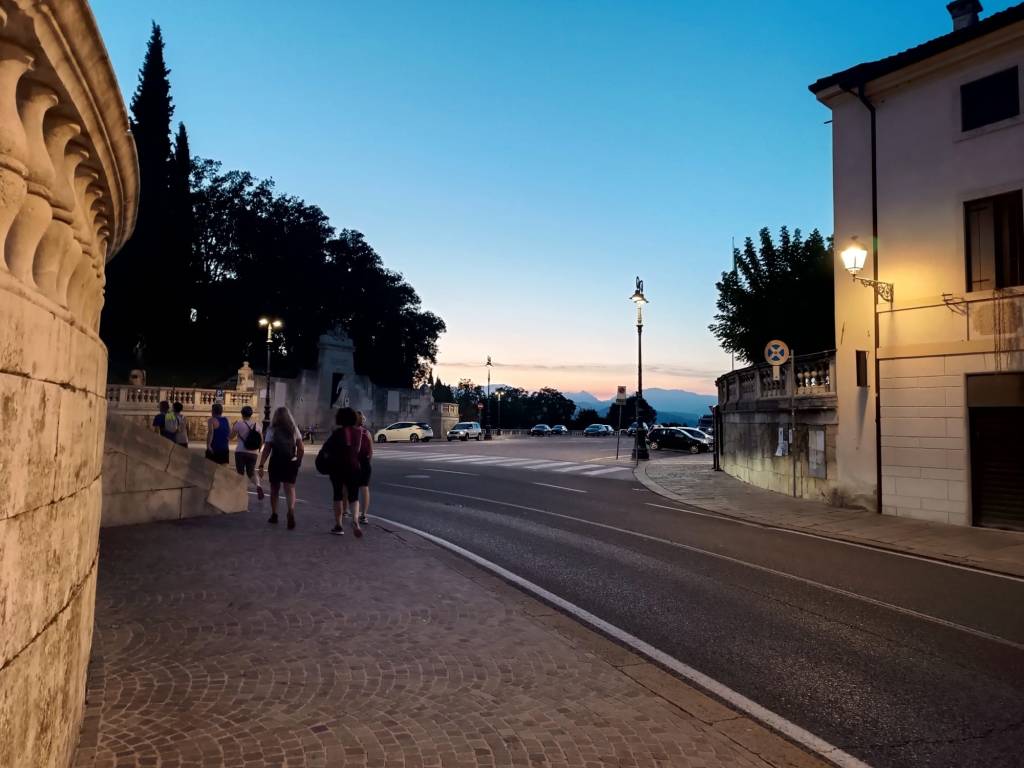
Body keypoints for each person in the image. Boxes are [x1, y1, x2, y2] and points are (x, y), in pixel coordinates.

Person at [324, 407, 369, 538]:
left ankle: (339, 525)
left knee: (338, 495)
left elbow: (327, 449)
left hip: (338, 468)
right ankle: (355, 521)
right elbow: (358, 450)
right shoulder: (358, 432)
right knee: (354, 497)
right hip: (354, 467)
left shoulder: (337, 433)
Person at [258, 406, 304, 529]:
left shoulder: (272, 429)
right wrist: (298, 461)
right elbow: (301, 448)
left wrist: (261, 465)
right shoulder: (294, 429)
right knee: (290, 489)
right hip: (290, 462)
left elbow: (267, 449)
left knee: (274, 489)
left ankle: (274, 514)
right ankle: (291, 510)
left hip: (276, 462)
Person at [231, 405, 264, 500]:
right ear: (251, 414)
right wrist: (258, 450)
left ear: (242, 414)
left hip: (240, 451)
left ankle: (240, 492)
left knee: (240, 472)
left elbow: (230, 437)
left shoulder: (238, 424)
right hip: (253, 453)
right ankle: (258, 485)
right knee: (251, 472)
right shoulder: (257, 425)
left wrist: (233, 427)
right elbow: (261, 440)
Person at [356, 410, 373, 525]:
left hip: (353, 462)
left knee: (347, 487)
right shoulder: (367, 433)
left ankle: (345, 511)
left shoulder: (350, 431)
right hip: (365, 463)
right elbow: (371, 452)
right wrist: (367, 463)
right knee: (365, 488)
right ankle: (363, 515)